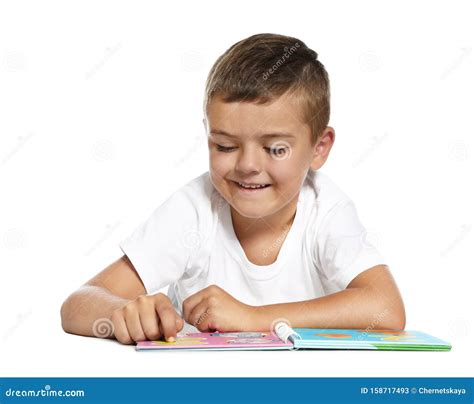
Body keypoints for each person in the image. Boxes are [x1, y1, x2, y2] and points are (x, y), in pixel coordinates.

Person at [61, 33, 405, 345]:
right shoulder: (194, 210)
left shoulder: (326, 210)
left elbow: (387, 308)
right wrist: (126, 313)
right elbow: (79, 303)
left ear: (319, 147)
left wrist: (253, 318)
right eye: (225, 146)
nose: (247, 166)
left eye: (276, 149)